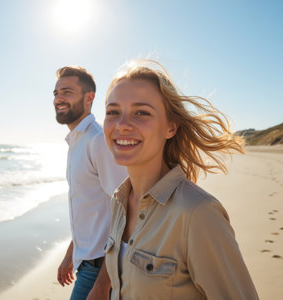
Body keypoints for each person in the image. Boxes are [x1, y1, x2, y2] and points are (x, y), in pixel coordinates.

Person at [102, 59, 259, 299]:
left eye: (141, 112)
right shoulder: (118, 201)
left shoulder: (197, 213)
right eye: (113, 112)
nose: (122, 125)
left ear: (171, 128)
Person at [53, 65, 127, 299]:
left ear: (89, 98)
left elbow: (127, 210)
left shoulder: (97, 141)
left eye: (66, 92)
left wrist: (103, 284)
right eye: (55, 94)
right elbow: (91, 210)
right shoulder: (76, 142)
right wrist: (70, 254)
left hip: (102, 268)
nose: (58, 99)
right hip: (87, 263)